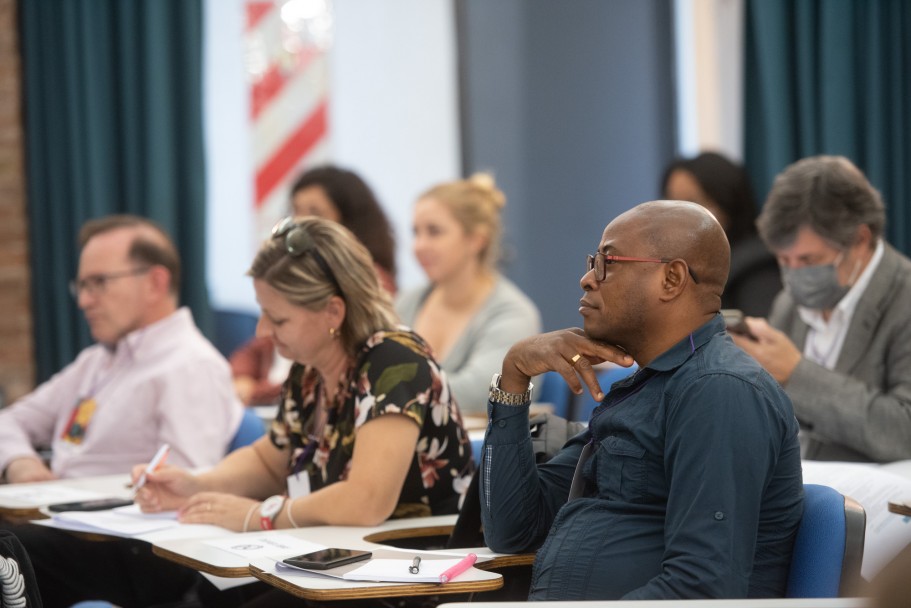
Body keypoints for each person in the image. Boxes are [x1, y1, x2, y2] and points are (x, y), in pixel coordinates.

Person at [16, 217, 474, 608]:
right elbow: (268, 459)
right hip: (322, 563)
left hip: (398, 574)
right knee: (202, 594)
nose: (261, 331)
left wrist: (261, 516)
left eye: (278, 319)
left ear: (333, 311)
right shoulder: (311, 369)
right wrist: (198, 483)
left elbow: (366, 500)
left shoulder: (394, 361)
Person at [480, 200, 803, 600]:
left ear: (672, 278)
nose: (586, 279)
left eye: (608, 262)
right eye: (592, 261)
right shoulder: (645, 389)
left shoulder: (719, 390)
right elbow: (513, 530)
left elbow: (702, 589)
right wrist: (513, 377)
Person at [0, 215, 243, 483]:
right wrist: (21, 463)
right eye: (81, 286)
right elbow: (8, 421)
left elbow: (181, 490)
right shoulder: (95, 361)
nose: (83, 301)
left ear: (155, 284)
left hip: (102, 522)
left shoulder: (191, 365)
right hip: (53, 513)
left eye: (99, 282)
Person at [732, 155, 911, 463]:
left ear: (860, 240)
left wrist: (796, 373)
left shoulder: (903, 299)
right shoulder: (789, 303)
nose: (794, 274)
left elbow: (903, 432)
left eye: (807, 260)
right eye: (783, 260)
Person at [231, 165, 397, 405]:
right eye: (295, 210)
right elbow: (256, 348)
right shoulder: (306, 370)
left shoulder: (370, 285)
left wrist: (253, 392)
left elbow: (329, 369)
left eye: (314, 211)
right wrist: (242, 378)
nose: (299, 221)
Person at [396, 173, 541, 414]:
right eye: (416, 232)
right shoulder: (406, 303)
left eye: (434, 232)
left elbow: (481, 394)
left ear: (475, 240)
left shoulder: (513, 314)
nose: (419, 246)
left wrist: (388, 387)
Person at [662, 151, 781, 316]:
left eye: (692, 203)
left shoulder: (757, 269)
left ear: (727, 205)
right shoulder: (674, 267)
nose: (677, 215)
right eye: (670, 203)